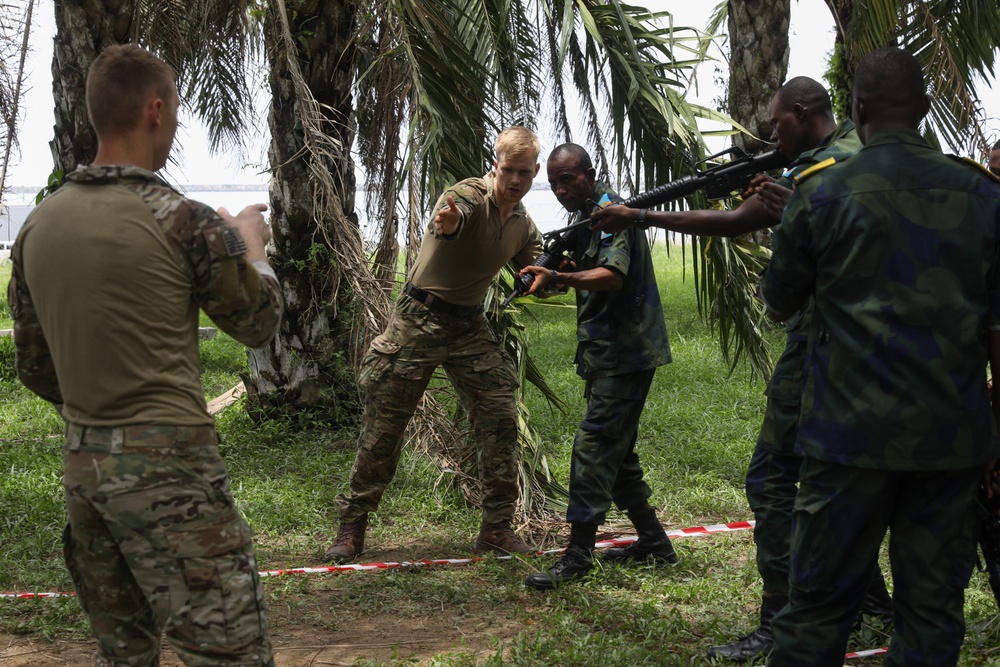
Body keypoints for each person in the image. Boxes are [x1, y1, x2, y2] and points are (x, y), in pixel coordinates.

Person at [591, 77, 891, 661]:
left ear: (802, 114)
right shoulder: (855, 153)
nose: (771, 133)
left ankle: (779, 618)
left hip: (819, 342)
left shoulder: (818, 170)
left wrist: (642, 218)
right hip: (872, 349)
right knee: (837, 478)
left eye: (777, 122)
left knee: (773, 480)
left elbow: (737, 225)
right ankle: (871, 603)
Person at [6, 45, 282, 666]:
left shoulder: (38, 227)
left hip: (86, 473)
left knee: (123, 655)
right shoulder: (182, 219)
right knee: (230, 652)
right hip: (172, 477)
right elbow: (259, 323)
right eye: (178, 112)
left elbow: (34, 366)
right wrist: (251, 243)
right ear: (156, 110)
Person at [759, 47, 1000, 667]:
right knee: (931, 616)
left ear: (858, 109)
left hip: (847, 444)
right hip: (951, 443)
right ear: (924, 109)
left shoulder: (818, 193)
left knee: (815, 614)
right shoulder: (983, 195)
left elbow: (779, 302)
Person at [324, 126, 545, 563]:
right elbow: (450, 218)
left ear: (535, 171)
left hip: (469, 326)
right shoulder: (467, 195)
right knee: (385, 428)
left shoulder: (522, 223)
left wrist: (544, 275)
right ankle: (352, 525)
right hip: (417, 320)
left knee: (500, 416)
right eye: (508, 170)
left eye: (524, 172)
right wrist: (449, 225)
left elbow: (535, 265)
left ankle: (497, 527)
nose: (515, 180)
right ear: (494, 166)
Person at [516, 143, 677, 590]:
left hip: (626, 352)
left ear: (591, 173)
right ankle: (654, 542)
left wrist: (562, 277)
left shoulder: (611, 213)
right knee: (617, 451)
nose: (563, 189)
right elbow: (586, 273)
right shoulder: (587, 220)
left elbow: (613, 276)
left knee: (592, 446)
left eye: (570, 179)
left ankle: (579, 555)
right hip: (606, 352)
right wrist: (552, 274)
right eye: (556, 182)